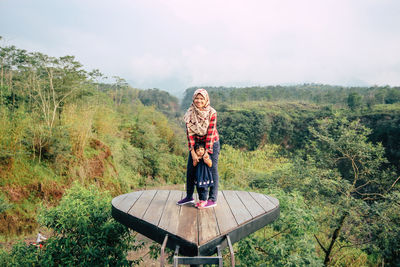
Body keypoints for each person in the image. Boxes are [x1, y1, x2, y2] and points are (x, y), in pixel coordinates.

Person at [177, 88, 220, 208]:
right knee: (191, 168)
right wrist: (193, 152)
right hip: (195, 144)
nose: (199, 101)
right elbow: (189, 133)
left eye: (201, 98)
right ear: (193, 99)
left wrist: (206, 153)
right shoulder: (190, 113)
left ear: (206, 99)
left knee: (211, 168)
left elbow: (210, 134)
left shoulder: (212, 112)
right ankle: (189, 196)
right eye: (197, 98)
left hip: (211, 143)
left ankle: (212, 199)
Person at [192, 142, 213, 209]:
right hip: (198, 175)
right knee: (199, 188)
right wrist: (195, 160)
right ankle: (201, 200)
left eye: (202, 149)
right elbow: (194, 165)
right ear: (195, 152)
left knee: (204, 188)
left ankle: (204, 201)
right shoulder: (196, 157)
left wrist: (206, 160)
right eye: (198, 150)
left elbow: (210, 164)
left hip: (205, 175)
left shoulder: (206, 156)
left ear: (204, 150)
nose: (200, 151)